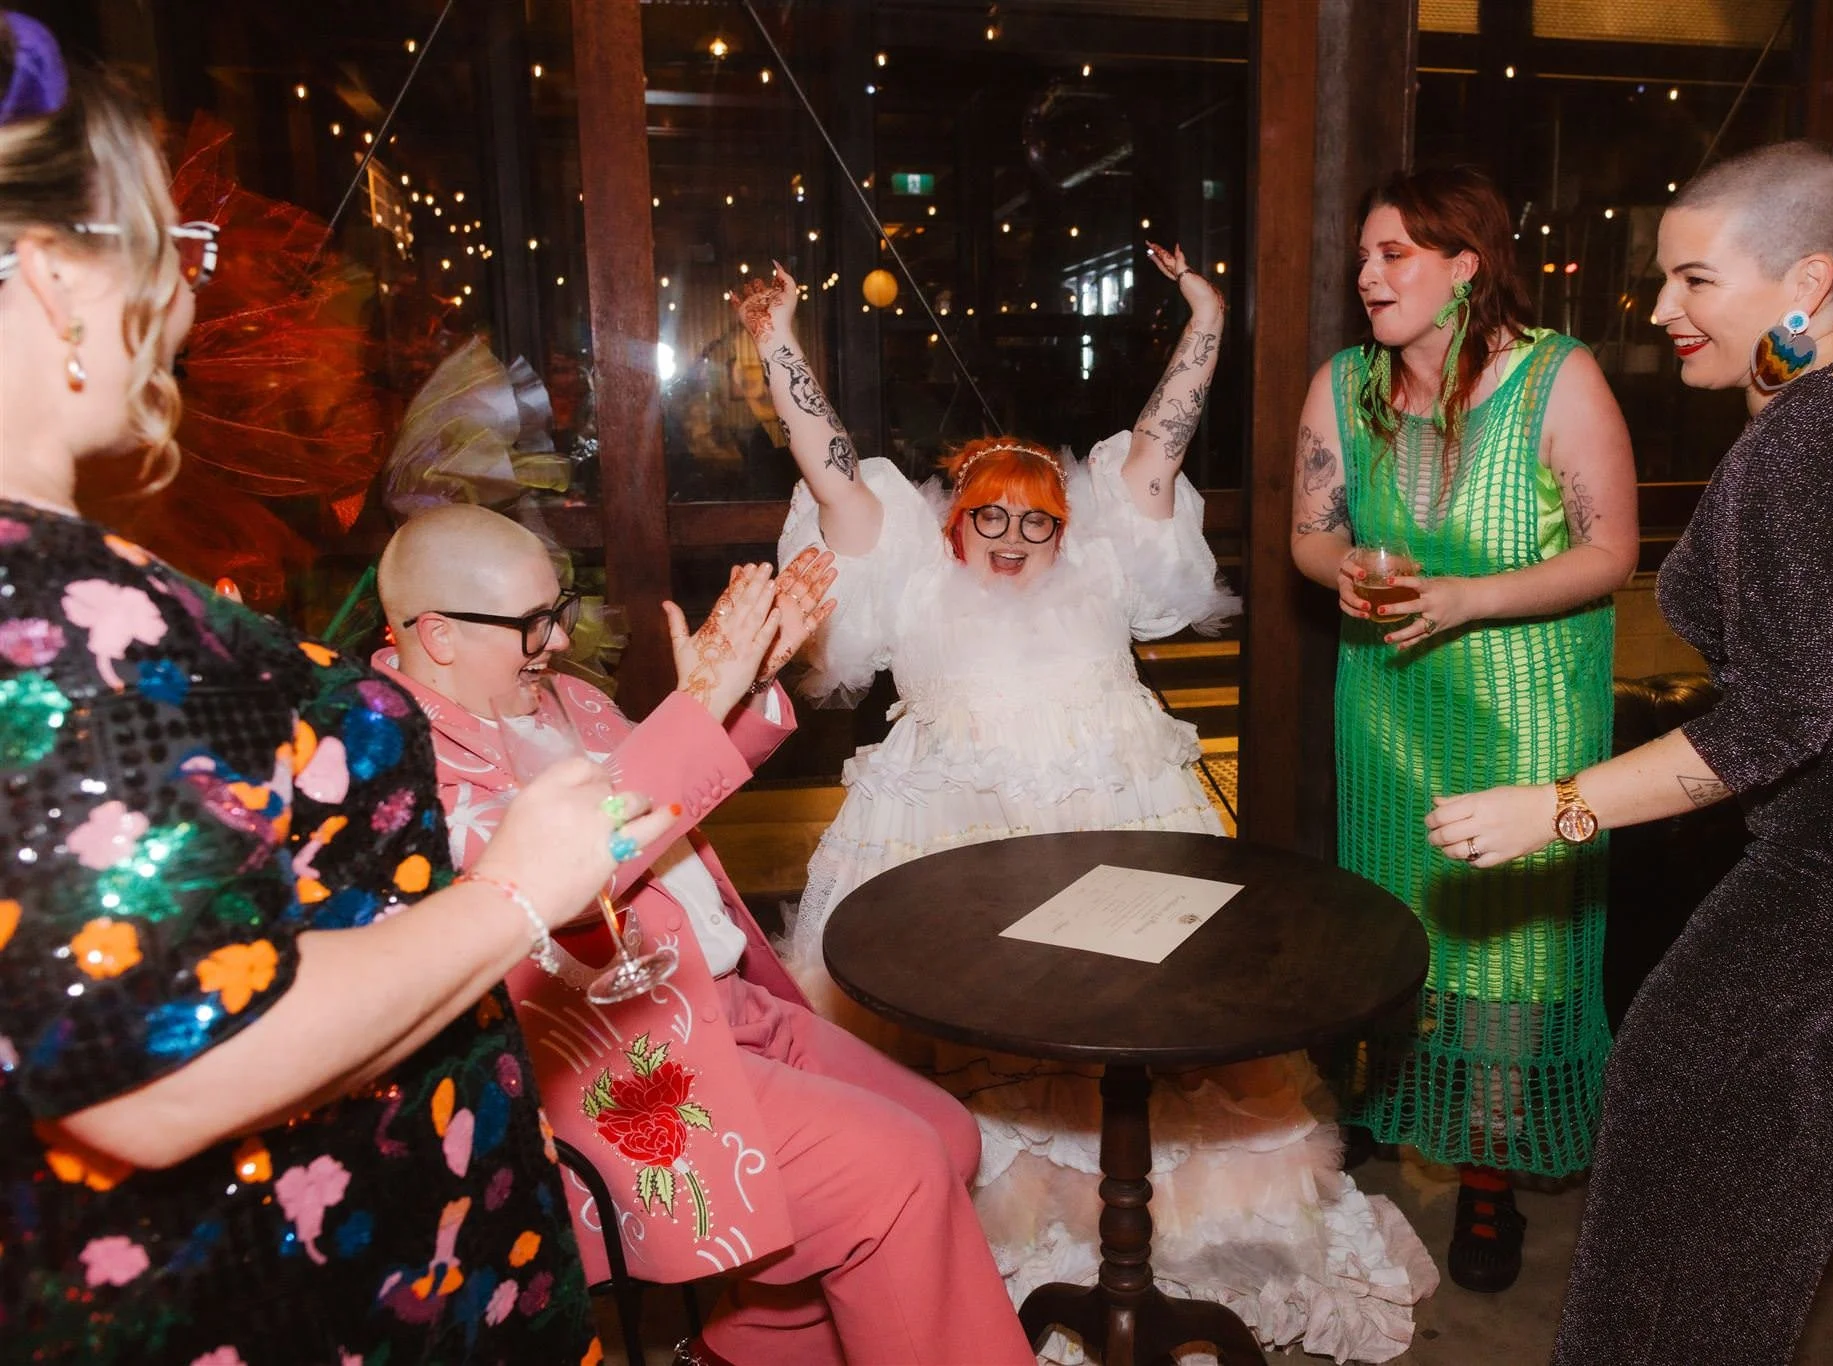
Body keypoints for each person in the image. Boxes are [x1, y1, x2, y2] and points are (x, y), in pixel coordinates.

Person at [0, 19, 678, 1362]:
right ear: (54, 276)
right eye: (174, 252)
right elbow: (159, 1070)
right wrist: (516, 891)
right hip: (297, 1295)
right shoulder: (51, 612)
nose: (186, 307)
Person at [743, 249, 1439, 1363]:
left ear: (1066, 530)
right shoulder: (910, 571)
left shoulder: (1104, 569)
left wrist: (1206, 317)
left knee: (1146, 1034)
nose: (1013, 542)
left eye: (1037, 524)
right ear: (955, 521)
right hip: (945, 837)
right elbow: (830, 471)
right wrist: (779, 341)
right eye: (991, 520)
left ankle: (1139, 1249)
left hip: (1116, 829)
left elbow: (1162, 443)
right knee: (955, 1043)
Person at [1426, 140, 1833, 1363]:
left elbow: (1773, 725)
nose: (1660, 307)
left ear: (1804, 278)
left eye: (1694, 280)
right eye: (1663, 277)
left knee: (1685, 1113)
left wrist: (1554, 805)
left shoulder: (1803, 445)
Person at [374, 505, 1036, 1366]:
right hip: (620, 1064)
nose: (558, 641)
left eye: (558, 611)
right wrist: (699, 701)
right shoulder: (397, 765)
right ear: (438, 634)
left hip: (723, 1003)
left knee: (948, 1135)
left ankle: (742, 1352)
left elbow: (668, 804)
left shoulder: (562, 696)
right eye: (533, 623)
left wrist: (746, 687)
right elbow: (579, 876)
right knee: (898, 1169)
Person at [1290, 165, 1640, 1294]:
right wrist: (1339, 570)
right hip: (1388, 707)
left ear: (1463, 267)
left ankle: (1488, 1173)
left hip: (1525, 712)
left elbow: (1610, 553)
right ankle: (1383, 1106)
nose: (1366, 274)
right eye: (1362, 255)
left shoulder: (1557, 377)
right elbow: (1310, 535)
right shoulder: (1342, 384)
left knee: (1502, 952)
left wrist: (1468, 598)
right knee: (1392, 923)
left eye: (1392, 253)